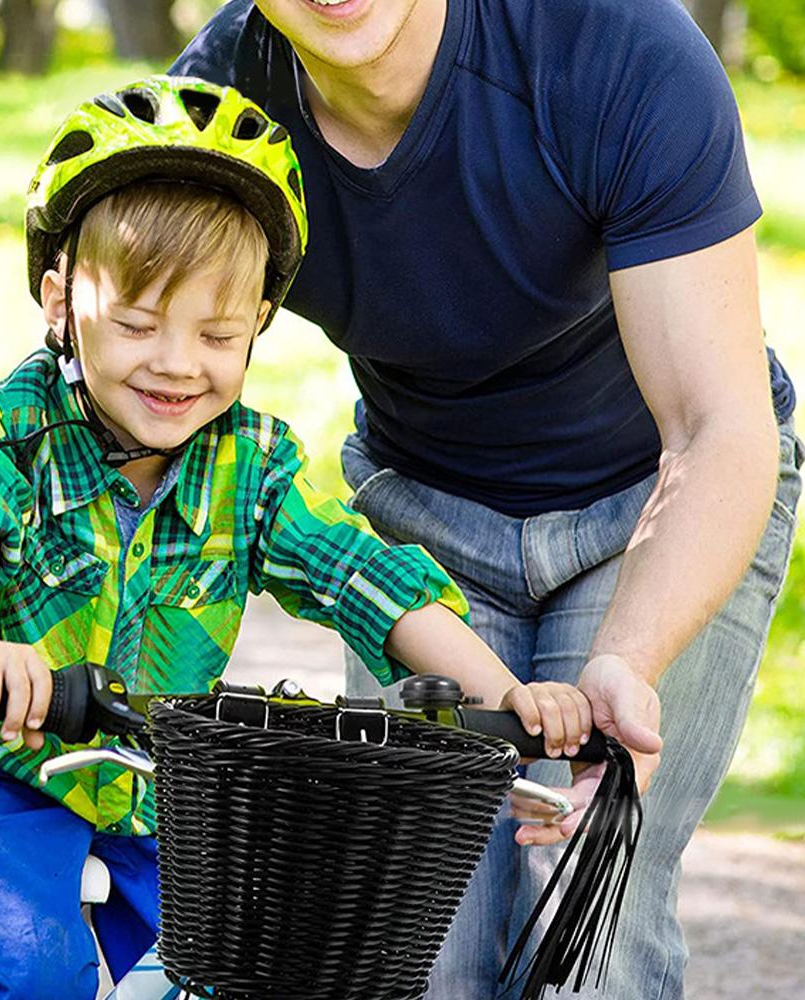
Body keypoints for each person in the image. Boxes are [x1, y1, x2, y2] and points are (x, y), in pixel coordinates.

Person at [0, 75, 599, 998]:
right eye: (139, 325)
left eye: (218, 335)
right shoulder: (5, 424)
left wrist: (511, 703)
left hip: (158, 798)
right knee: (28, 970)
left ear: (260, 322)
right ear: (62, 303)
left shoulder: (253, 464)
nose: (178, 365)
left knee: (243, 969)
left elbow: (367, 580)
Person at [170, 2, 803, 998]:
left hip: (649, 507)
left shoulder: (614, 48)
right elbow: (135, 385)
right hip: (422, 529)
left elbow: (713, 426)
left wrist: (627, 660)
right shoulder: (212, 119)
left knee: (586, 927)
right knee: (411, 956)